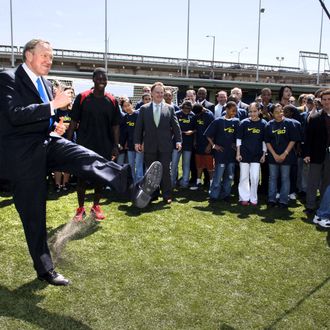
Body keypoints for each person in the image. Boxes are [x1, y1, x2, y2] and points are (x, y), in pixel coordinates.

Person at [0, 39, 162, 286]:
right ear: (28, 55)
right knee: (34, 216)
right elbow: (14, 115)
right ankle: (45, 270)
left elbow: (42, 115)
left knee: (85, 156)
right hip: (22, 156)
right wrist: (53, 105)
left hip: (47, 142)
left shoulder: (44, 82)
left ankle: (133, 188)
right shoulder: (8, 78)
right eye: (44, 55)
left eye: (51, 56)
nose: (49, 60)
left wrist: (54, 123)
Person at [67, 68, 122, 222]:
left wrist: (115, 146)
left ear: (107, 80)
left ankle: (96, 206)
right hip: (84, 146)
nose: (101, 81)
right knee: (82, 179)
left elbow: (116, 125)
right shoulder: (82, 97)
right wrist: (68, 142)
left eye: (103, 78)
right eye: (98, 78)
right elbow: (73, 122)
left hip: (104, 146)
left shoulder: (112, 100)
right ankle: (80, 209)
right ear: (93, 79)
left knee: (100, 178)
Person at [134, 81, 182, 204]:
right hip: (149, 146)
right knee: (151, 172)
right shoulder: (144, 109)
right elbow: (139, 127)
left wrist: (178, 141)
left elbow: (176, 127)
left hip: (165, 146)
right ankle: (152, 195)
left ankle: (167, 195)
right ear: (151, 93)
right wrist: (137, 142)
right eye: (157, 92)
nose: (160, 95)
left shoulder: (170, 108)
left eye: (162, 92)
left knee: (166, 170)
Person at [264, 104, 300, 208]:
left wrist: (284, 154)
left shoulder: (290, 123)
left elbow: (293, 140)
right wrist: (274, 155)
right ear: (272, 114)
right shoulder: (269, 125)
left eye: (281, 111)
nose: (280, 114)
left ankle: (283, 201)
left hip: (287, 156)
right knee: (273, 178)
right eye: (276, 112)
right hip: (272, 156)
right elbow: (267, 142)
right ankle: (271, 199)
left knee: (285, 178)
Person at [204, 101, 239, 201]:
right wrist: (214, 145)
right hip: (220, 154)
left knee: (229, 176)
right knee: (218, 176)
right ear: (226, 109)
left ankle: (226, 195)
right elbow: (208, 134)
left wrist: (236, 145)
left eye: (235, 111)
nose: (234, 113)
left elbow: (239, 137)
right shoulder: (218, 121)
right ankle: (214, 195)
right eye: (232, 110)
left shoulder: (236, 122)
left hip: (231, 154)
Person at [304, 89, 330, 214]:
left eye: (329, 99)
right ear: (321, 101)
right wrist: (307, 154)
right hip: (316, 155)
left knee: (326, 182)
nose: (326, 102)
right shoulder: (314, 118)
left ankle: (323, 206)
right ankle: (310, 206)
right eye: (324, 99)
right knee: (312, 182)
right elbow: (308, 138)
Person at [236, 102, 267, 205]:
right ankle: (244, 198)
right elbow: (239, 139)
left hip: (257, 155)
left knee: (254, 177)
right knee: (244, 177)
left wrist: (263, 155)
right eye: (250, 111)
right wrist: (238, 153)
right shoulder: (244, 123)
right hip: (244, 154)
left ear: (259, 111)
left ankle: (253, 198)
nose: (252, 114)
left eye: (255, 111)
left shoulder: (264, 124)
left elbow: (264, 141)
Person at [53, 85, 75, 193]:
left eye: (71, 94)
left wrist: (70, 126)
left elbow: (76, 125)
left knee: (67, 163)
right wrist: (58, 126)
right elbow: (51, 123)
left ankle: (65, 183)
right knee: (57, 163)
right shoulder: (56, 110)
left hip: (69, 140)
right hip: (57, 140)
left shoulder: (72, 111)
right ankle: (57, 184)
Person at [189, 103, 214, 190]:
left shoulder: (210, 115)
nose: (198, 115)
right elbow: (196, 128)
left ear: (202, 110)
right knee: (199, 165)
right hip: (199, 144)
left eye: (199, 114)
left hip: (207, 144)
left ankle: (211, 184)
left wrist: (209, 145)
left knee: (210, 166)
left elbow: (214, 132)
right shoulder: (196, 115)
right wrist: (195, 140)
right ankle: (198, 183)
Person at [171, 100, 195, 188]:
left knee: (186, 164)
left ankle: (185, 183)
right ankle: (172, 182)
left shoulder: (193, 115)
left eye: (189, 108)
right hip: (176, 142)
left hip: (188, 143)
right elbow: (171, 127)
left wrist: (192, 131)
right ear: (182, 107)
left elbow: (196, 128)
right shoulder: (176, 114)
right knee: (174, 164)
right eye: (185, 108)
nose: (187, 110)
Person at [120, 97, 144, 183]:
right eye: (124, 106)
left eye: (128, 105)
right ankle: (134, 183)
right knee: (131, 165)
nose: (127, 107)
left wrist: (142, 143)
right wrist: (123, 143)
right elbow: (124, 133)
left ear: (132, 105)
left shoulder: (139, 114)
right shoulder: (125, 117)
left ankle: (140, 184)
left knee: (139, 165)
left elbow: (144, 130)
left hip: (139, 145)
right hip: (130, 146)